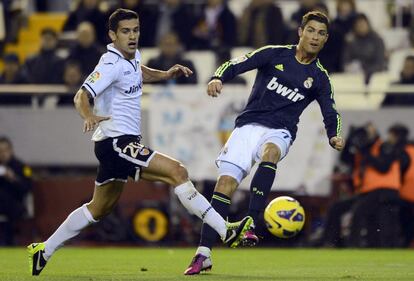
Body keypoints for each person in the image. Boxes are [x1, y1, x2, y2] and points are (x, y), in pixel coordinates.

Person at [27, 9, 253, 276]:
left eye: (135, 30)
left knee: (99, 208)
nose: (132, 36)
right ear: (112, 35)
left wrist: (166, 74)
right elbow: (81, 95)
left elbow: (138, 72)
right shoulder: (109, 64)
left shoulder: (131, 58)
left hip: (115, 146)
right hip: (116, 143)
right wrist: (88, 116)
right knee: (177, 172)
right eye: (125, 31)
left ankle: (43, 249)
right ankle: (225, 231)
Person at [184, 11, 344, 275]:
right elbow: (238, 62)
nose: (315, 37)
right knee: (225, 185)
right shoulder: (275, 53)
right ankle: (204, 253)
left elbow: (331, 110)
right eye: (311, 30)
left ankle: (251, 222)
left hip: (280, 131)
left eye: (321, 33)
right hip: (247, 128)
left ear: (326, 39)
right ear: (300, 32)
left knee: (270, 154)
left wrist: (333, 134)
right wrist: (217, 77)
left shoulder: (319, 77)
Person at [0, 136, 32, 245]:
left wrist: (13, 178)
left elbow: (27, 188)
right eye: (0, 151)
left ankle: (9, 242)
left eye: (5, 150)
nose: (3, 154)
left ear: (11, 150)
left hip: (15, 204)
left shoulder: (21, 167)